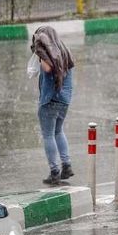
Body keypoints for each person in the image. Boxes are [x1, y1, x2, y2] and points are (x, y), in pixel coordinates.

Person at [31, 26, 75, 185]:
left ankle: (55, 171)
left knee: (48, 135)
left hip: (50, 100)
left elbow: (48, 68)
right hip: (64, 100)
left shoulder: (48, 53)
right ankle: (67, 165)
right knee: (58, 131)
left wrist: (40, 54)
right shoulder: (63, 50)